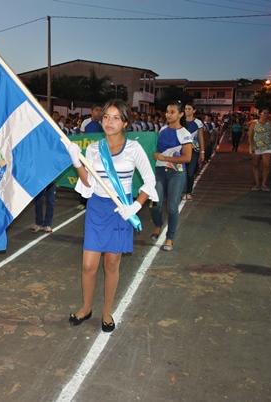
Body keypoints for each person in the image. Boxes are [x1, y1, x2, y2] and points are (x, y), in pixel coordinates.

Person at [66, 99, 157, 332]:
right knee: (88, 265)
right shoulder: (94, 149)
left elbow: (150, 180)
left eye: (116, 117)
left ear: (125, 122)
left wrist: (136, 206)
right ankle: (86, 308)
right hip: (97, 208)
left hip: (121, 210)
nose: (109, 121)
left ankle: (107, 312)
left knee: (112, 263)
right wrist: (77, 161)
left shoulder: (134, 148)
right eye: (106, 116)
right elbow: (87, 181)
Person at [150, 101, 193, 251]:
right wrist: (155, 155)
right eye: (167, 111)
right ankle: (157, 224)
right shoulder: (162, 129)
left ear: (181, 114)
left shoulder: (185, 134)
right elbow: (155, 150)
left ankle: (170, 237)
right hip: (160, 172)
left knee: (172, 207)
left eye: (172, 112)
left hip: (177, 174)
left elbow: (187, 158)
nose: (168, 114)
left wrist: (165, 158)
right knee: (155, 203)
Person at [248, 109, 271, 192]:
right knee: (255, 165)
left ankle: (264, 184)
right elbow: (250, 136)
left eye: (267, 113)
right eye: (264, 113)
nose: (266, 114)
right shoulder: (254, 123)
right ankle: (257, 184)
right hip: (256, 146)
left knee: (266, 165)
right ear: (260, 114)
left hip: (268, 147)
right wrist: (251, 146)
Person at [182, 103, 205, 200]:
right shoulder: (180, 121)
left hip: (194, 151)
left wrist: (202, 152)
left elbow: (200, 137)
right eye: (185, 108)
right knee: (181, 172)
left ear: (194, 111)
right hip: (181, 151)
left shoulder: (198, 123)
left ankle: (188, 192)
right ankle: (182, 191)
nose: (187, 110)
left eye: (189, 109)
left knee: (190, 172)